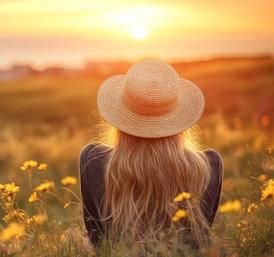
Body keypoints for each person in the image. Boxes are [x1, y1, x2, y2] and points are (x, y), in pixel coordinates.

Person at [79, 60, 223, 250]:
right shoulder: (209, 166)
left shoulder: (93, 160)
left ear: (121, 116)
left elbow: (99, 242)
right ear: (177, 118)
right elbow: (198, 241)